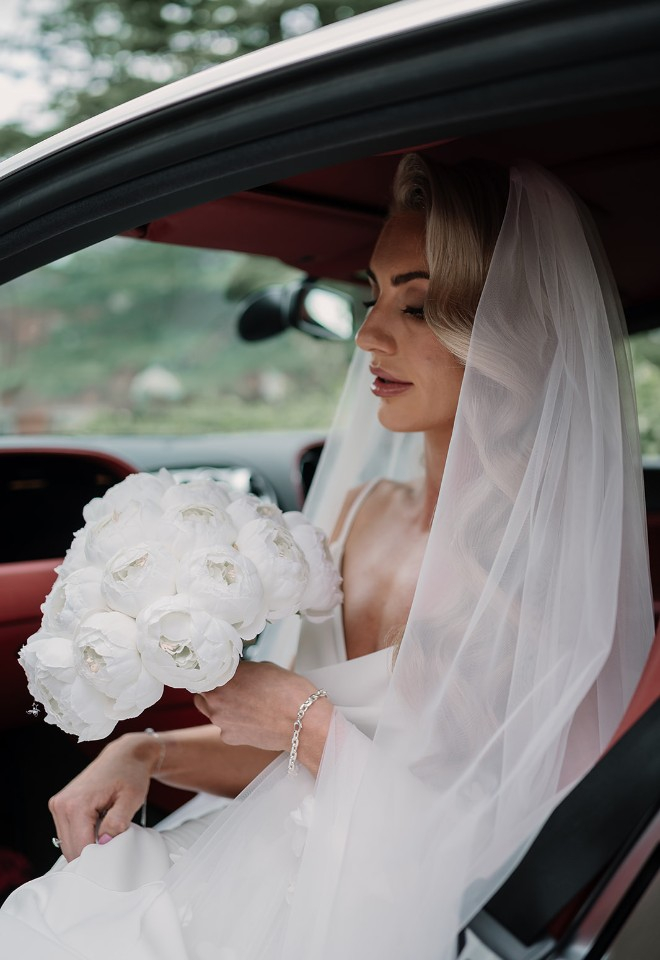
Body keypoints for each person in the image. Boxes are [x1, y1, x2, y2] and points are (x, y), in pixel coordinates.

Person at [0, 155, 653, 960]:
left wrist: (301, 717)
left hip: (373, 914)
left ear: (510, 336)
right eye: (371, 295)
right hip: (251, 856)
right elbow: (297, 760)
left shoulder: (536, 571)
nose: (370, 335)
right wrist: (147, 750)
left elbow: (476, 853)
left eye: (417, 305)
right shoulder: (361, 507)